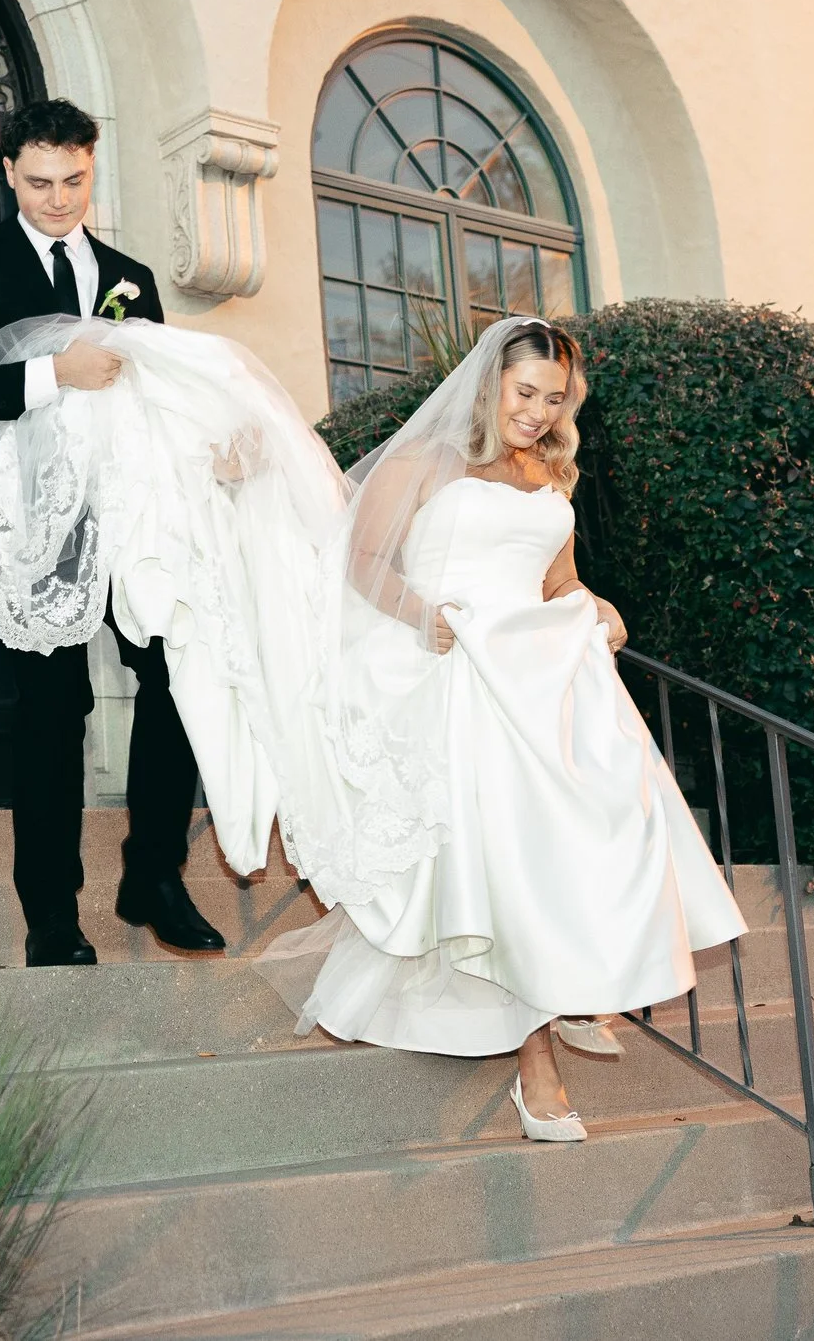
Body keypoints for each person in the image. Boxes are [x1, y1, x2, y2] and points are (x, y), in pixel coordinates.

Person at [256, 317, 748, 1141]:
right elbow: (365, 560)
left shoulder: (552, 469)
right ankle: (537, 1058)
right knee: (511, 854)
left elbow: (559, 580)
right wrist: (424, 615)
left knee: (609, 820)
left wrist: (596, 605)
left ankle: (581, 980)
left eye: (555, 400)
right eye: (526, 394)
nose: (538, 413)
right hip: (453, 665)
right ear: (491, 383)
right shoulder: (422, 460)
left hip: (543, 675)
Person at [0, 98, 225, 968]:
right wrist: (55, 372)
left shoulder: (131, 275)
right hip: (31, 521)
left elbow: (159, 395)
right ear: (9, 172)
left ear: (93, 168)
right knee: (52, 710)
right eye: (40, 181)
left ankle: (153, 874)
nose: (58, 198)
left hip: (130, 512)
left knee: (175, 672)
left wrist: (213, 450)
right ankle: (51, 913)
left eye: (74, 180)